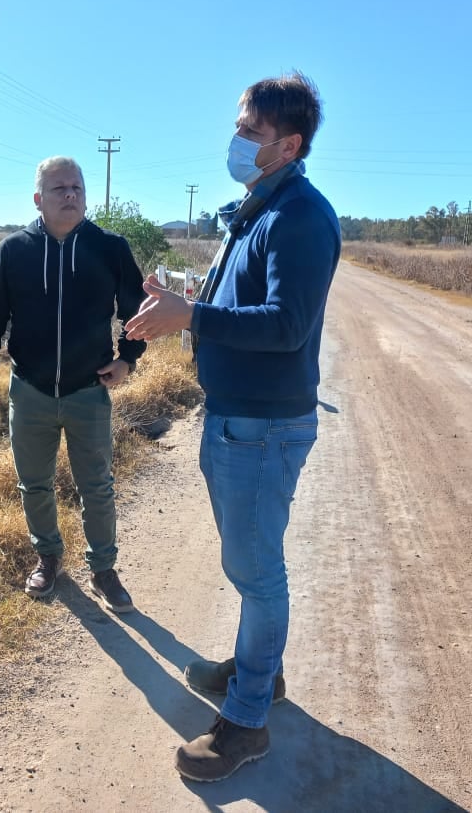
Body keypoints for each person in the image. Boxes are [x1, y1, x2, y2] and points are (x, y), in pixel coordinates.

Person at [124, 72, 340, 782]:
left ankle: (247, 723)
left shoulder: (302, 217)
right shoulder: (257, 206)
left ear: (290, 143)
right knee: (248, 564)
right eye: (241, 125)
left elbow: (286, 326)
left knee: (256, 569)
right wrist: (185, 300)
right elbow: (237, 298)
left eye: (252, 130)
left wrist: (192, 318)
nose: (238, 139)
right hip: (237, 418)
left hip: (264, 425)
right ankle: (260, 671)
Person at [0, 156, 147, 613]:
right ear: (38, 199)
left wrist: (127, 359)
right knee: (35, 483)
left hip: (89, 389)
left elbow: (137, 312)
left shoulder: (110, 248)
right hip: (29, 391)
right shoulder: (13, 251)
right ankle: (48, 558)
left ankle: (104, 570)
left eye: (76, 187)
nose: (70, 195)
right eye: (58, 189)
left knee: (98, 485)